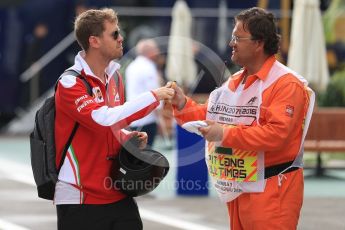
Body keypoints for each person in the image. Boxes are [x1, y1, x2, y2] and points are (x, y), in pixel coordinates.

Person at [169, 7, 315, 230]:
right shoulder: (238, 79)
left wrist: (224, 133)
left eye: (237, 37)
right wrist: (182, 104)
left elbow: (277, 135)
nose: (231, 43)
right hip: (240, 186)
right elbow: (209, 116)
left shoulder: (286, 84)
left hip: (273, 190)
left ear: (259, 43)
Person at [54, 8, 174, 230]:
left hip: (117, 191)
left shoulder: (115, 77)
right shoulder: (70, 83)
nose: (122, 39)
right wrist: (154, 96)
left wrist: (126, 135)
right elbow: (102, 118)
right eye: (115, 34)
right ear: (94, 41)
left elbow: (111, 125)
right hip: (80, 197)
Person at [125, 39, 162, 146]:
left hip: (133, 119)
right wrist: (160, 120)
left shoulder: (131, 66)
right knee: (147, 154)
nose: (158, 51)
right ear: (150, 52)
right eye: (156, 49)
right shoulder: (149, 67)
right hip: (147, 119)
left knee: (137, 154)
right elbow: (155, 94)